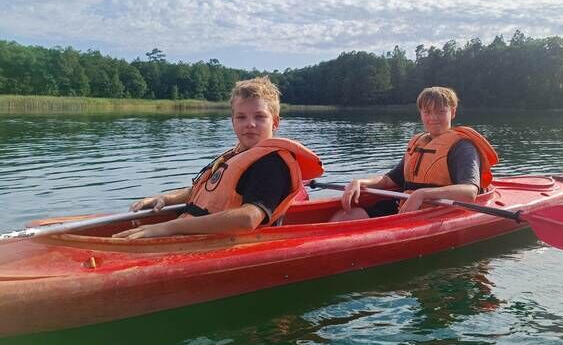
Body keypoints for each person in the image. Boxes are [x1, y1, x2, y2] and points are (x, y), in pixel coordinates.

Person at [114, 76, 323, 239]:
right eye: (241, 117)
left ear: (275, 122)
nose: (250, 124)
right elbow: (207, 191)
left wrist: (168, 228)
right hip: (192, 232)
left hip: (231, 242)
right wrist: (167, 198)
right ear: (233, 122)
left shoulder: (272, 163)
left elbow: (248, 218)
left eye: (259, 117)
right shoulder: (236, 154)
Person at [331, 86, 497, 220]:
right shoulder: (419, 142)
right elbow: (390, 179)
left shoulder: (462, 147)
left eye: (441, 111)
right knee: (345, 216)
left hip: (440, 212)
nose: (433, 117)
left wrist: (421, 194)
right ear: (421, 114)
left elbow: (469, 192)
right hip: (406, 206)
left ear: (453, 112)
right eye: (427, 112)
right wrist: (360, 182)